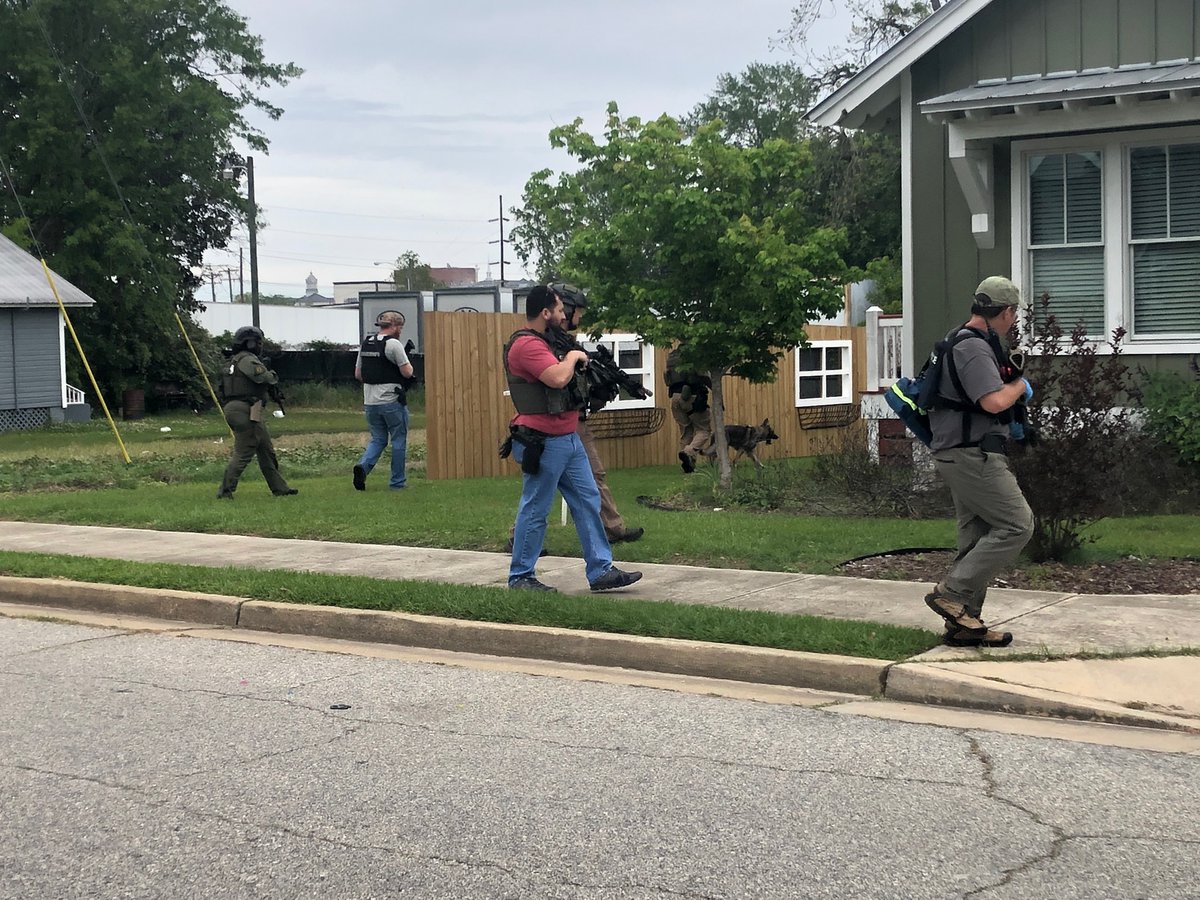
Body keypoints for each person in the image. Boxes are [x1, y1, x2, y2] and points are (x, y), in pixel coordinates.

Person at [503, 285, 642, 593]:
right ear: (545, 313)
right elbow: (556, 377)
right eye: (560, 310)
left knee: (587, 501)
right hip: (541, 440)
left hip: (567, 438)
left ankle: (601, 570)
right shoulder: (526, 345)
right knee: (536, 508)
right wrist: (574, 357)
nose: (564, 315)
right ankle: (521, 577)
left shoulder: (550, 342)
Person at [925, 276, 1035, 648]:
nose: (1013, 321)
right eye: (1013, 313)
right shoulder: (972, 347)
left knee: (975, 536)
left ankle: (964, 623)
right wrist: (1021, 386)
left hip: (962, 450)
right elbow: (992, 401)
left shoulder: (962, 339)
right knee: (1018, 524)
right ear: (1004, 311)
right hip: (972, 453)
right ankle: (952, 593)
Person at [217, 325, 297, 499]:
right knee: (245, 450)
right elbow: (263, 377)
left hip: (239, 408)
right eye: (259, 342)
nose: (261, 346)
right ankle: (225, 490)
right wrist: (272, 374)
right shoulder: (247, 360)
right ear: (251, 343)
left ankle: (280, 488)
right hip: (246, 409)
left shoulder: (233, 361)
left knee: (266, 450)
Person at [353, 311, 415, 491]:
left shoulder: (365, 344)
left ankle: (363, 467)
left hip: (370, 401)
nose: (400, 331)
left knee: (378, 439)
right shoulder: (394, 344)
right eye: (400, 327)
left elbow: (358, 374)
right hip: (391, 400)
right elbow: (408, 372)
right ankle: (397, 483)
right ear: (394, 326)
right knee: (398, 440)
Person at [664, 343, 713, 473]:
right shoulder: (693, 357)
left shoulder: (672, 357)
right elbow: (704, 377)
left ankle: (689, 467)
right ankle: (688, 452)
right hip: (692, 397)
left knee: (687, 431)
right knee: (704, 430)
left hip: (675, 398)